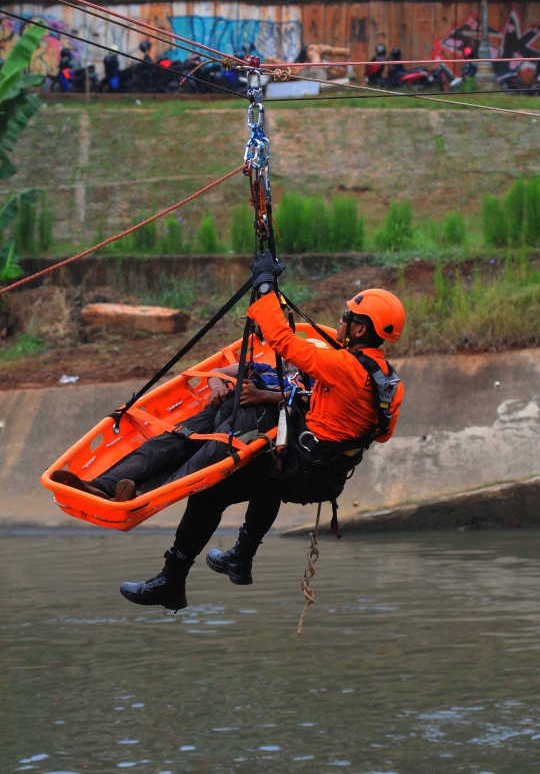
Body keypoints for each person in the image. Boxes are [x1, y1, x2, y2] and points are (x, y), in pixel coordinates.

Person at [112, 252, 406, 612]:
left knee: (212, 494)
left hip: (301, 468)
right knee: (266, 476)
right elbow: (381, 434)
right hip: (324, 477)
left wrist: (265, 287)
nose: (341, 322)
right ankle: (240, 558)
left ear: (360, 329)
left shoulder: (343, 366)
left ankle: (172, 580)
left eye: (347, 317)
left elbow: (283, 340)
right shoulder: (388, 380)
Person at [51, 358, 308, 502]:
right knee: (168, 441)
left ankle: (136, 498)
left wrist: (262, 395)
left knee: (207, 455)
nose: (290, 361)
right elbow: (216, 372)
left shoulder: (312, 379)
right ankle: (101, 485)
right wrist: (217, 388)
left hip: (257, 416)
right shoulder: (265, 366)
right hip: (224, 406)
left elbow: (309, 401)